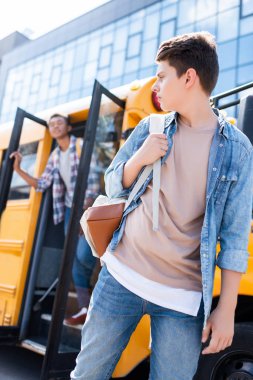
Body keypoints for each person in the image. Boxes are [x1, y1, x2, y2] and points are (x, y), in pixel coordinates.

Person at [70, 32, 253, 380]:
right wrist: (139, 158)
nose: (157, 84)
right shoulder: (150, 127)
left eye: (162, 75)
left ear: (189, 77)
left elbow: (234, 236)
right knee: (87, 375)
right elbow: (113, 183)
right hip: (120, 276)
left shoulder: (238, 150)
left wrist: (226, 309)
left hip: (182, 299)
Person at [10, 114, 100, 325]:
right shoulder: (55, 156)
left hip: (88, 208)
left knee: (84, 255)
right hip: (70, 210)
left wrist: (84, 213)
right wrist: (18, 169)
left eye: (59, 122)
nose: (55, 126)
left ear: (68, 127)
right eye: (51, 124)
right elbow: (42, 184)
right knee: (76, 262)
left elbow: (95, 182)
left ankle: (98, 304)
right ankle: (86, 308)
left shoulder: (81, 146)